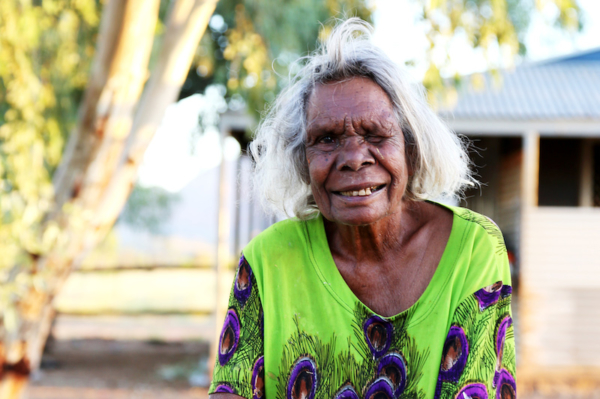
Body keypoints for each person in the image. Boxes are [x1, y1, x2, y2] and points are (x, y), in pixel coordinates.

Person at [209, 18, 516, 399]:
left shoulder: (473, 248)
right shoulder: (266, 261)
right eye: (326, 139)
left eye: (375, 134)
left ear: (411, 147)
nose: (354, 158)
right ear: (301, 160)